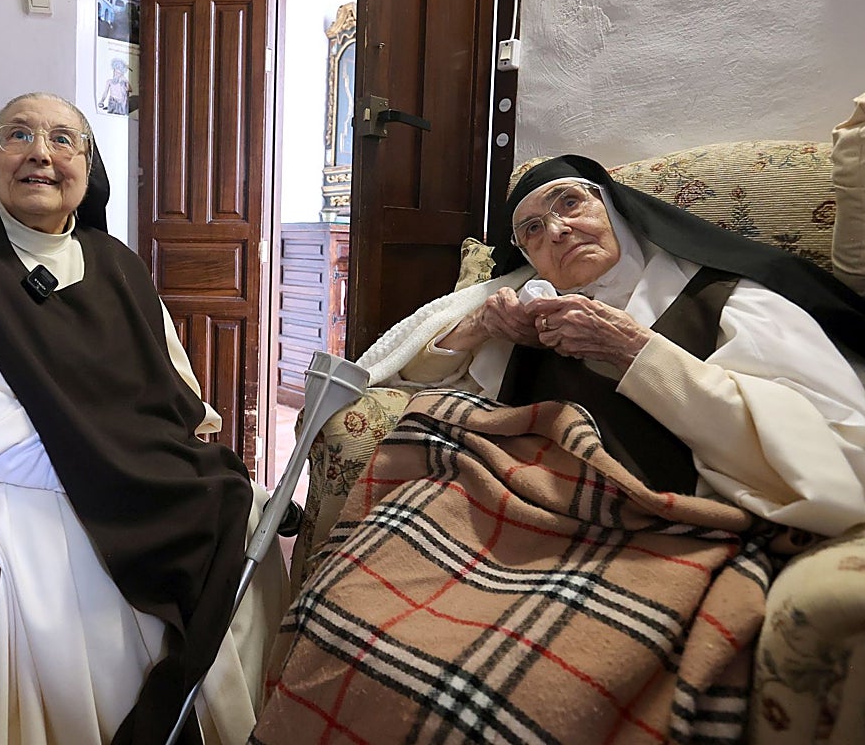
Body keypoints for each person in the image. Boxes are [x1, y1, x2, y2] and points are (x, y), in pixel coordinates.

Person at [0, 92, 287, 745]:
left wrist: (151, 453)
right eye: (19, 134)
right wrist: (98, 464)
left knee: (243, 510)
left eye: (64, 140)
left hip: (113, 459)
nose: (40, 152)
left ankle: (226, 724)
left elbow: (173, 385)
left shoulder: (116, 262)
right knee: (83, 558)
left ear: (87, 168)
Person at [361, 153, 865, 534]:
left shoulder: (724, 297)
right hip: (526, 508)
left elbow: (832, 453)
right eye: (532, 230)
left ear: (615, 208)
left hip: (651, 519)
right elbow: (413, 382)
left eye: (570, 203)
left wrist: (632, 351)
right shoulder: (531, 308)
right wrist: (480, 329)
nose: (557, 231)